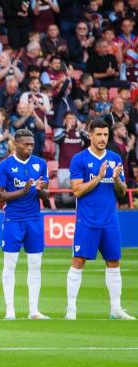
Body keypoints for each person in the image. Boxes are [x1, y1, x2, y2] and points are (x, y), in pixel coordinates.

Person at [66, 121, 135, 321]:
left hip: (110, 220)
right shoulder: (79, 159)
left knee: (114, 262)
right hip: (87, 221)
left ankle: (116, 308)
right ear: (90, 135)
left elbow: (122, 192)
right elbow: (77, 190)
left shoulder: (115, 158)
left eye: (105, 134)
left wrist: (116, 180)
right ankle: (71, 309)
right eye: (99, 134)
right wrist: (98, 178)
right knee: (78, 262)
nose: (103, 138)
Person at [0, 129, 50, 320]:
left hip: (34, 220)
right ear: (16, 144)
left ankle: (34, 310)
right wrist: (23, 191)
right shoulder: (5, 165)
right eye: (26, 144)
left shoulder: (40, 164)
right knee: (10, 264)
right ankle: (10, 310)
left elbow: (45, 195)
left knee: (35, 264)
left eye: (32, 144)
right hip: (13, 220)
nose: (30, 147)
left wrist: (41, 190)